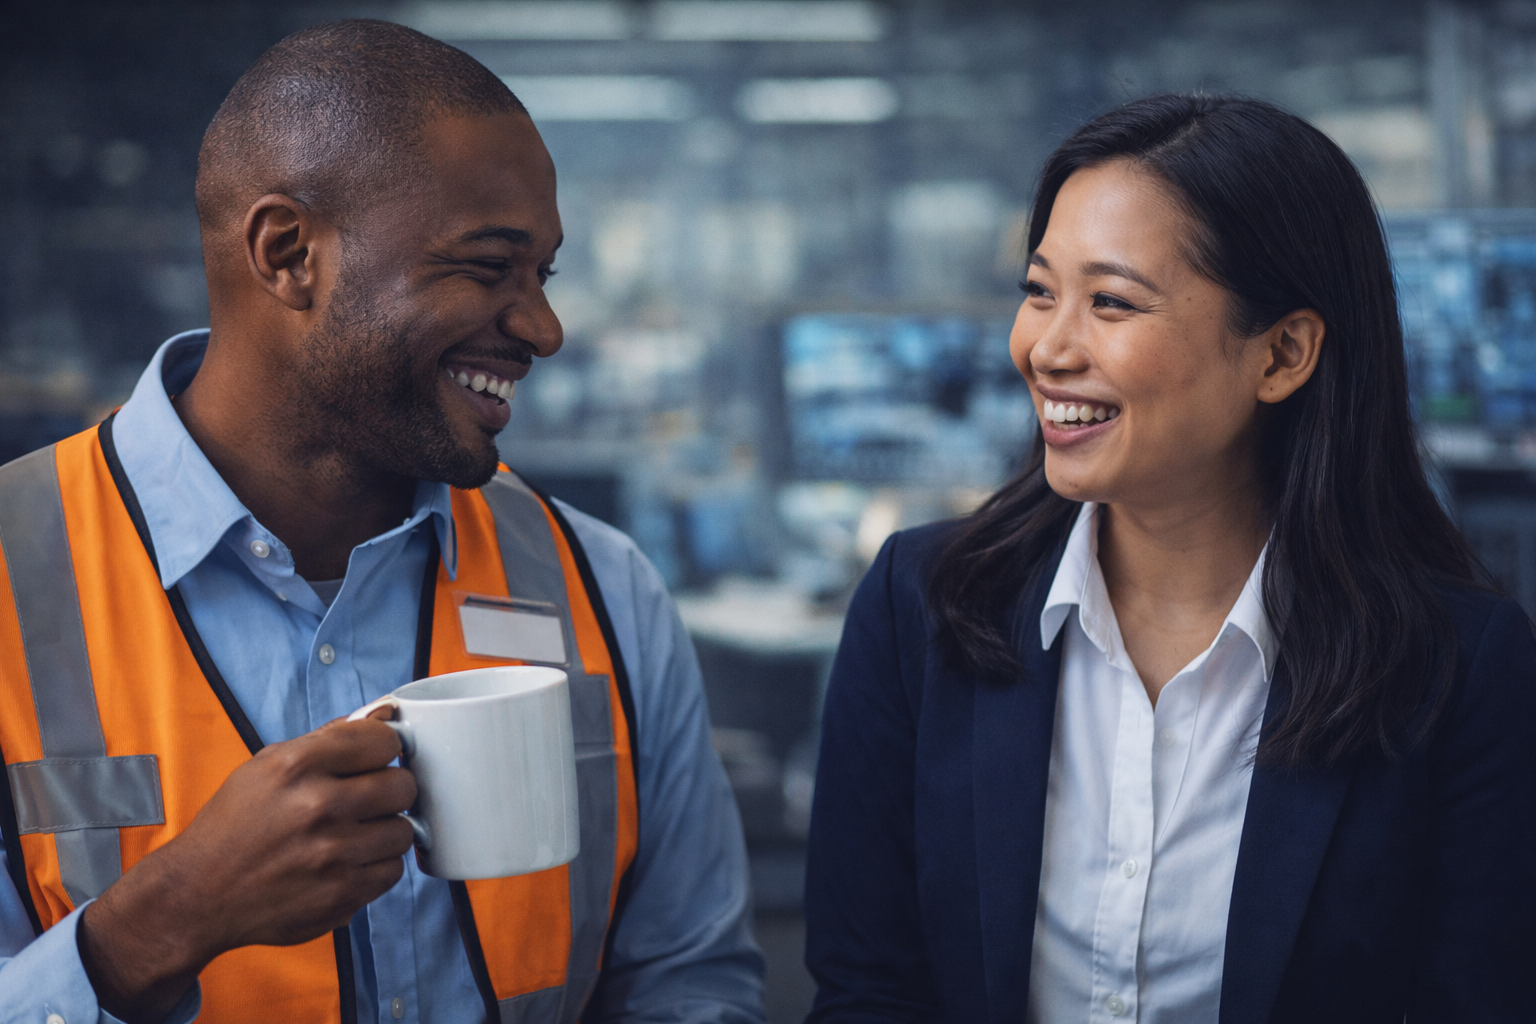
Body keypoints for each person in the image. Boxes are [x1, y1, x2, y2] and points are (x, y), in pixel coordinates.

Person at [0, 20, 764, 1024]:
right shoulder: (18, 579)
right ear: (287, 254)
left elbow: (690, 987)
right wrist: (161, 923)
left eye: (544, 275)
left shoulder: (601, 589)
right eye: (490, 267)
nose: (542, 328)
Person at [803, 93, 1536, 1024]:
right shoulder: (925, 604)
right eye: (1038, 291)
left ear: (1282, 355)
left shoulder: (1458, 667)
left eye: (1110, 302)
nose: (1047, 348)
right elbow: (868, 991)